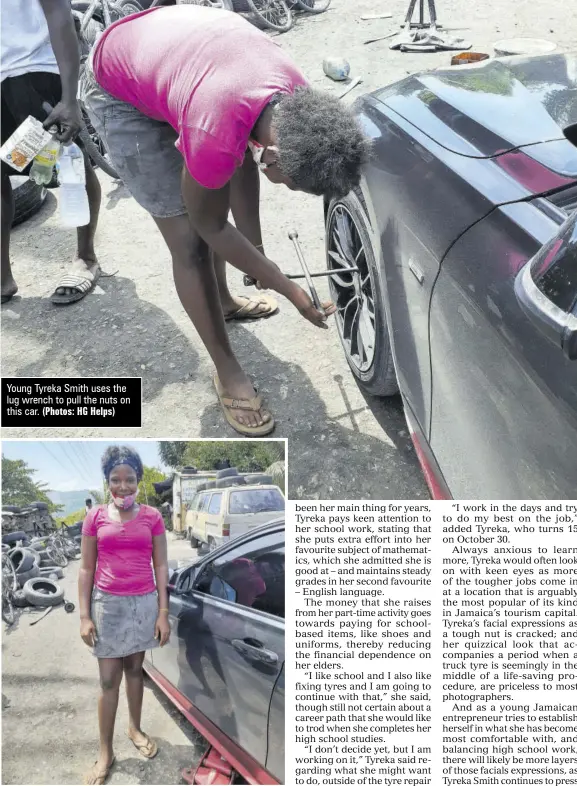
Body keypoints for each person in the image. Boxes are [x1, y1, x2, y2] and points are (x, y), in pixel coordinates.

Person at [83, 4, 371, 436]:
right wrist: (287, 287)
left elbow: (243, 158)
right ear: (273, 154)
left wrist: (254, 253)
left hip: (180, 58)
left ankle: (224, 303)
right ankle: (226, 368)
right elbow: (210, 224)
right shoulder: (215, 128)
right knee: (189, 245)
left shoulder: (296, 103)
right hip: (118, 85)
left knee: (218, 178)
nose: (285, 188)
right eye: (290, 185)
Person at [78, 445, 170, 786]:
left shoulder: (152, 517)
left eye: (129, 479)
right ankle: (106, 751)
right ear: (107, 482)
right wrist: (85, 616)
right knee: (107, 681)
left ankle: (135, 728)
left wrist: (163, 613)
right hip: (108, 606)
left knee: (135, 671)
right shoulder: (95, 518)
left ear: (138, 480)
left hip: (144, 604)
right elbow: (86, 569)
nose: (123, 487)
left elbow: (160, 564)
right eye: (115, 480)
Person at [1, 0, 102, 305]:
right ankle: (2, 276)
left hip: (33, 69)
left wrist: (69, 98)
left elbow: (58, 12)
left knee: (70, 164)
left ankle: (86, 257)